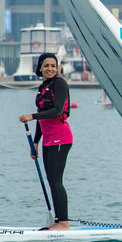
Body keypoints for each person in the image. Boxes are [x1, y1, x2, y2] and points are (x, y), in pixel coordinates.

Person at [19, 52, 73, 231]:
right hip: (48, 139)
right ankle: (58, 221)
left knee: (56, 180)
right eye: (46, 66)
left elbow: (57, 110)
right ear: (40, 68)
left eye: (53, 65)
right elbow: (42, 119)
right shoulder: (43, 87)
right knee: (51, 180)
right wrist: (35, 142)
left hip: (61, 137)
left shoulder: (60, 84)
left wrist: (31, 116)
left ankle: (63, 223)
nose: (50, 69)